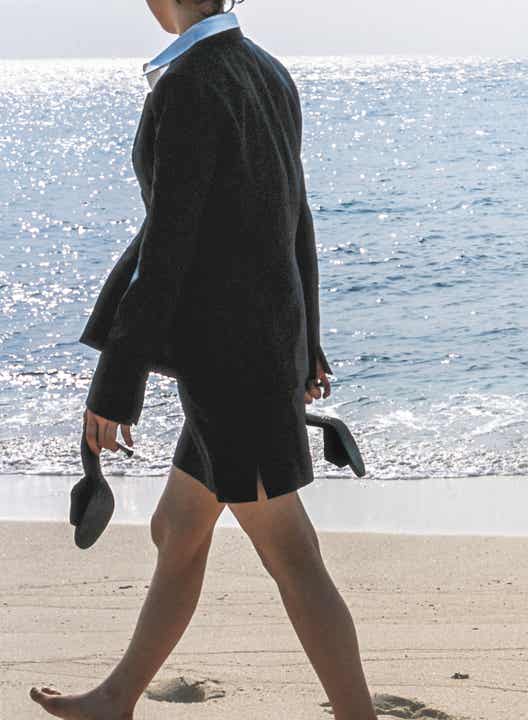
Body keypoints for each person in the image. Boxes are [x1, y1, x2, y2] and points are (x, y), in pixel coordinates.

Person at [29, 2, 379, 718]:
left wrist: (115, 383)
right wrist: (306, 337)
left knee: (292, 556)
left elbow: (168, 250)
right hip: (254, 350)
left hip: (236, 365)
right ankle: (118, 698)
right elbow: (296, 216)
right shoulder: (265, 70)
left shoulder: (192, 83)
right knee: (177, 530)